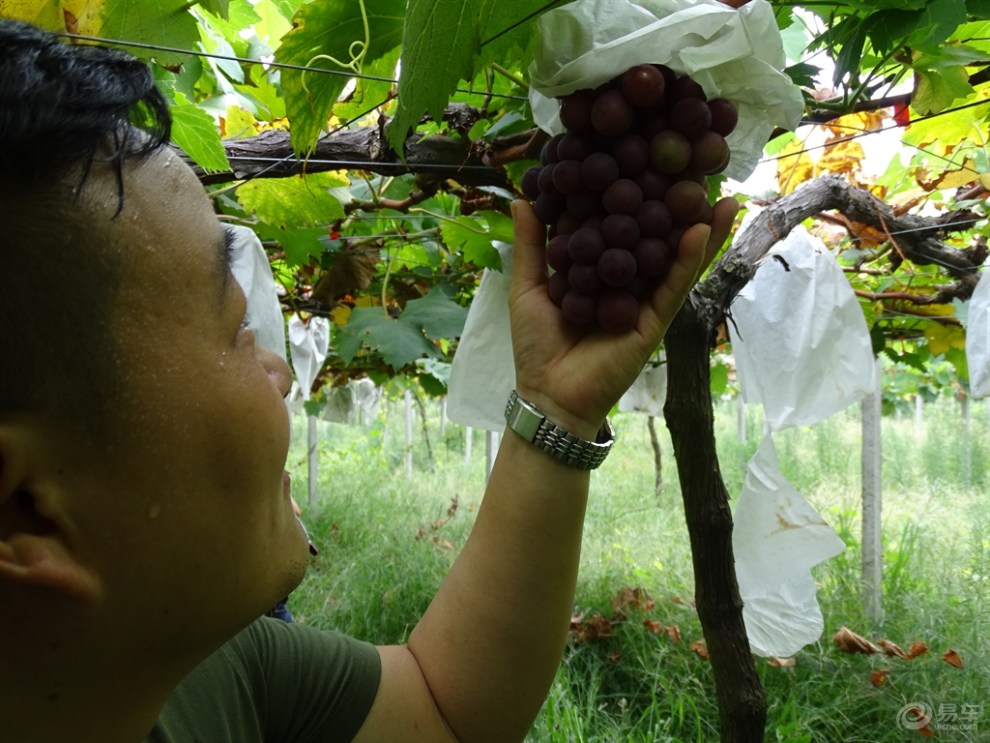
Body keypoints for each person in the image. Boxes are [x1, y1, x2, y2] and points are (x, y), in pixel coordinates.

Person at [0, 20, 738, 743]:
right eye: (235, 329)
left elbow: (446, 709)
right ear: (24, 509)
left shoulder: (202, 671)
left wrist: (557, 410)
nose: (281, 371)